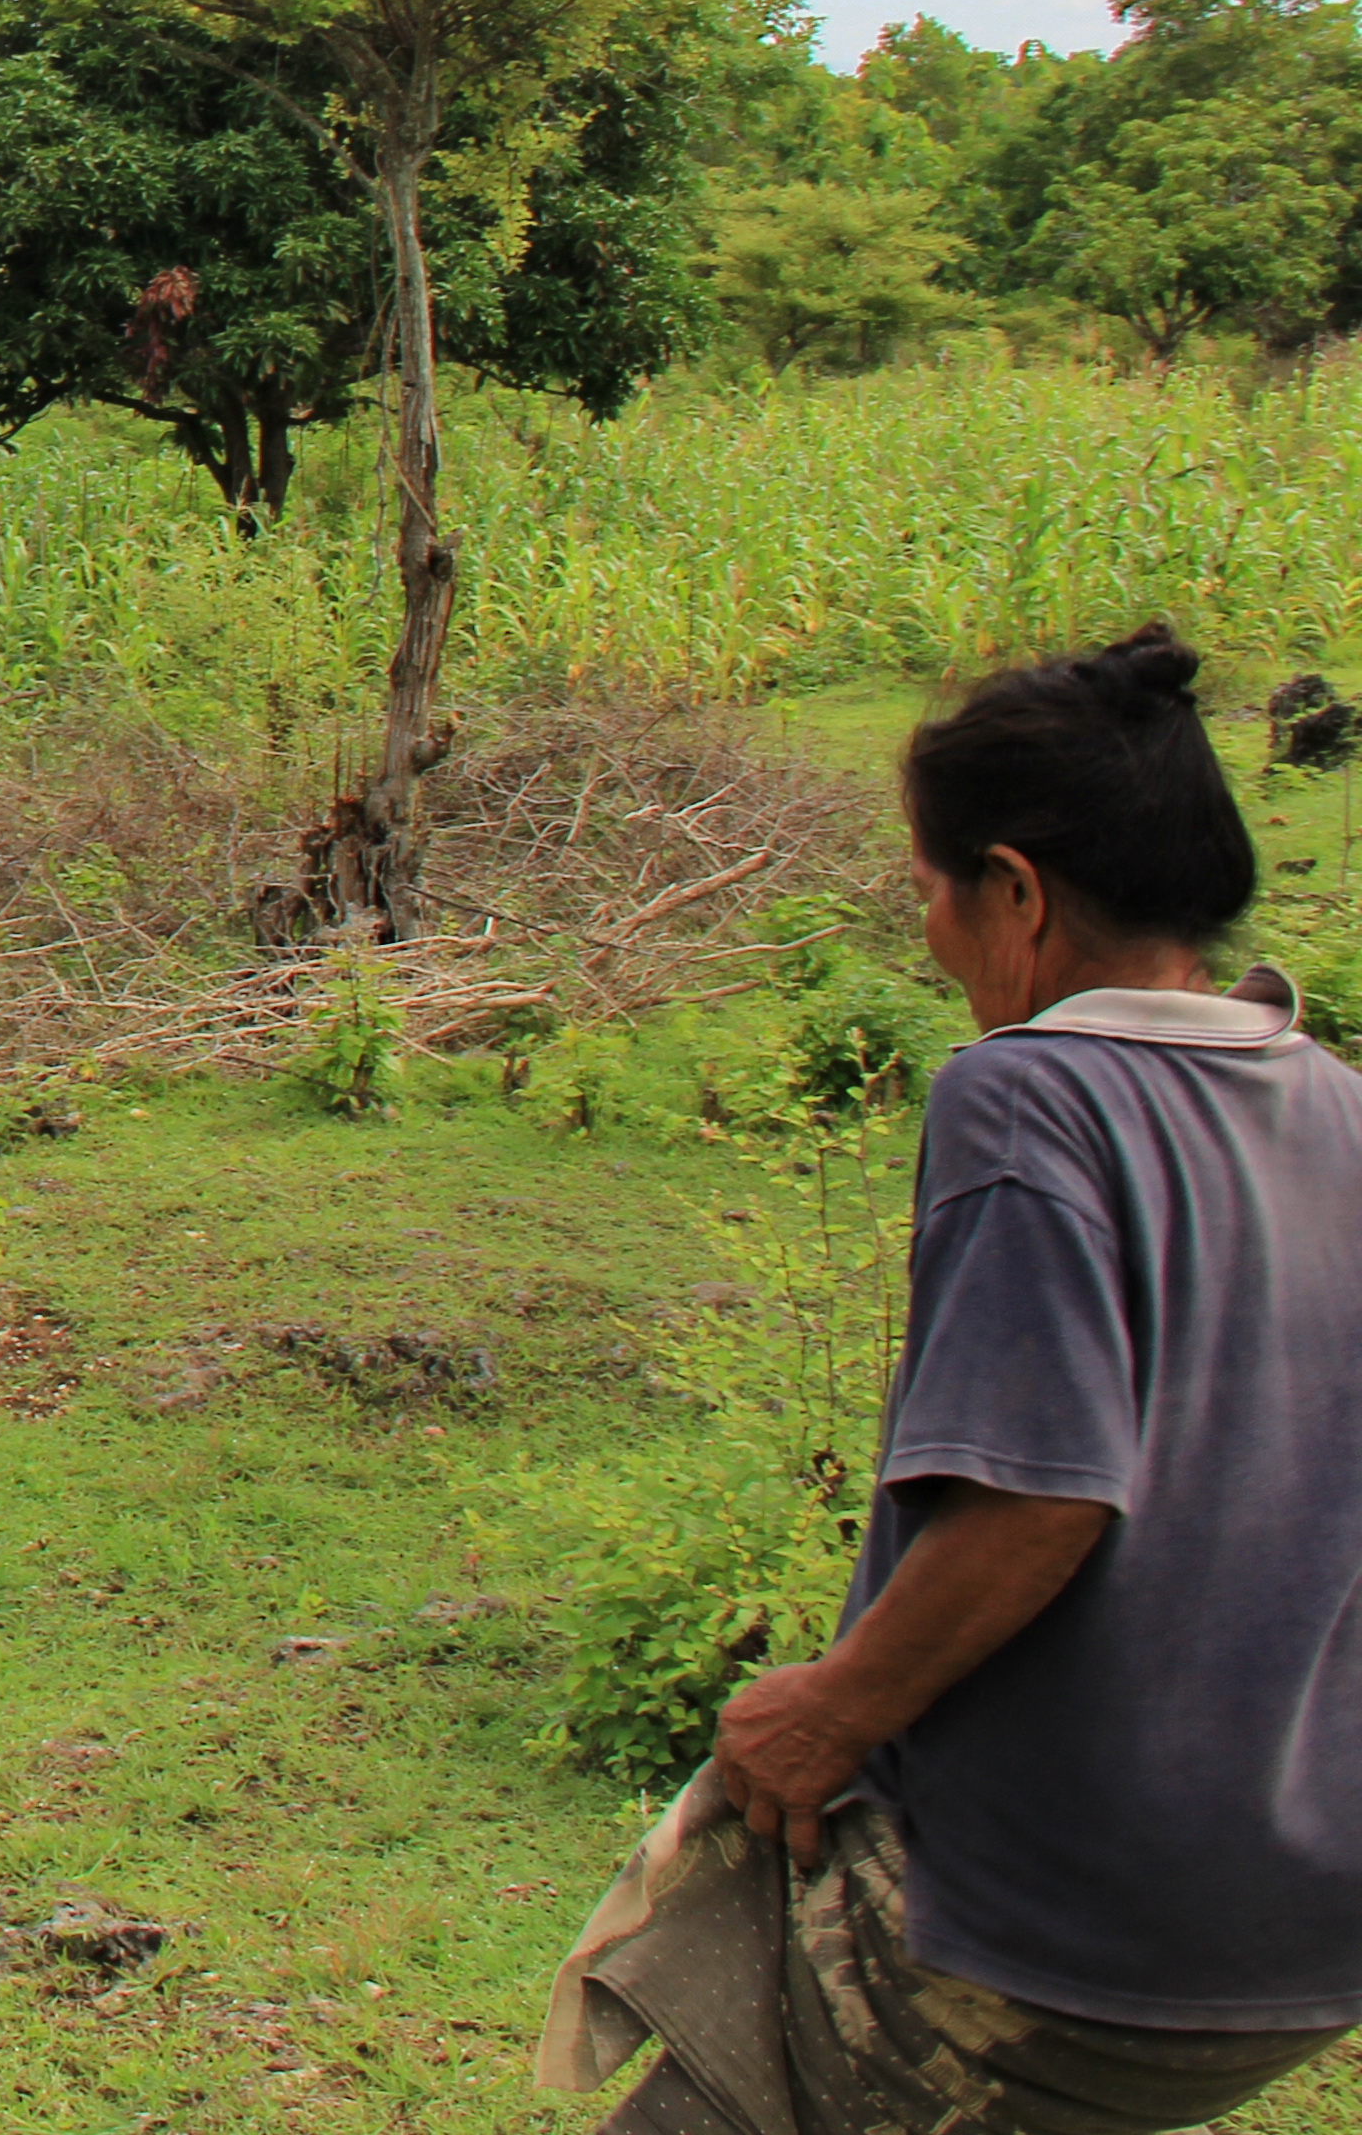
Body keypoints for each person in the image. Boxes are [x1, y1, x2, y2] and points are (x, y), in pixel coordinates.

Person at [543, 628, 1362, 2134]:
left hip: (1066, 1936)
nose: (928, 935)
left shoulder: (1028, 1091)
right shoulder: (1338, 1111)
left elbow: (1038, 1499)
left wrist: (829, 1708)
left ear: (1019, 895)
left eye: (927, 894)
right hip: (1304, 1935)